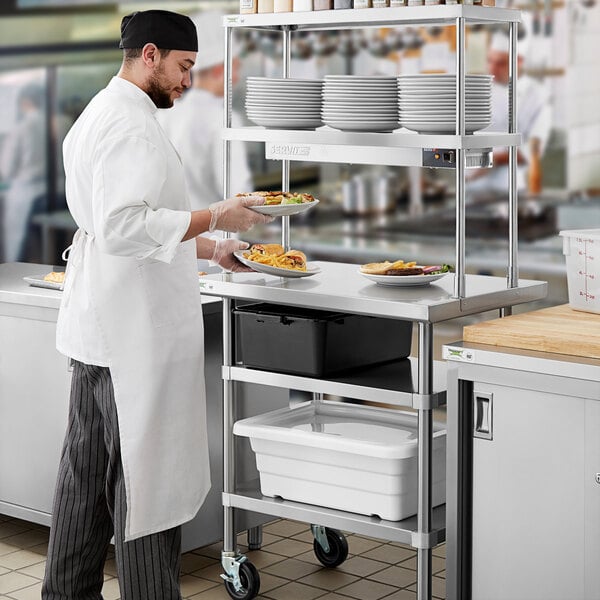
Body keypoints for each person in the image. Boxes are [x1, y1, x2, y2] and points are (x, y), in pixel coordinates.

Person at [41, 10, 271, 600]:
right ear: (150, 54)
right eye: (183, 66)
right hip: (131, 336)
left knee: (83, 479)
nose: (187, 81)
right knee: (146, 483)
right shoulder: (131, 126)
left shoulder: (102, 111)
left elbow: (138, 223)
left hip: (100, 330)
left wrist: (211, 248)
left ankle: (64, 593)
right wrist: (217, 213)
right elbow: (124, 227)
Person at [157, 10, 252, 211]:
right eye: (235, 67)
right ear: (220, 70)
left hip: (171, 235)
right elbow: (239, 194)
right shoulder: (225, 120)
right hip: (215, 236)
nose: (237, 76)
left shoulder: (164, 114)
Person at [466, 28, 552, 199]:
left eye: (500, 63)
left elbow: (533, 151)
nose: (492, 68)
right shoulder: (478, 90)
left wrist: (494, 160)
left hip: (509, 188)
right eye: (489, 61)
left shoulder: (538, 97)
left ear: (518, 61)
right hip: (471, 186)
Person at [0, 82, 47, 262]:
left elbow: (6, 168)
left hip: (27, 193)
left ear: (25, 102)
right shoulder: (61, 122)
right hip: (58, 192)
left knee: (15, 243)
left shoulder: (21, 129)